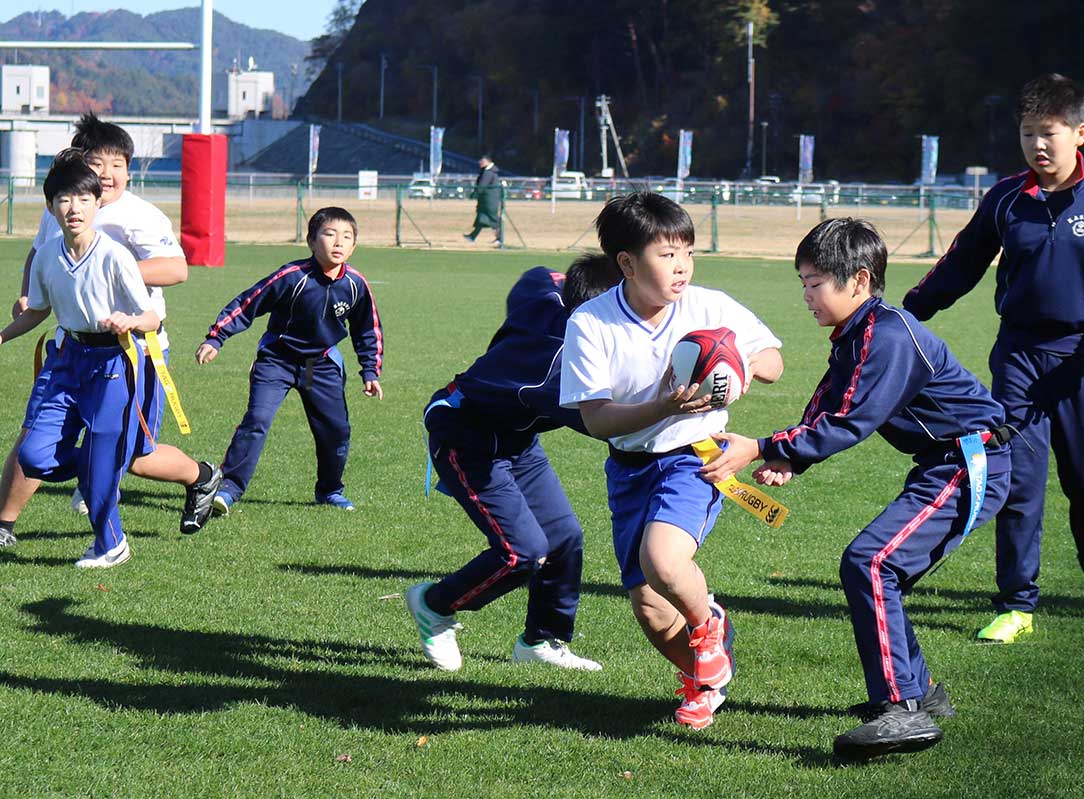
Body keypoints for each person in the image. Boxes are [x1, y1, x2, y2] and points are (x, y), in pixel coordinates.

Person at [701, 218, 1012, 759]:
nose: (806, 295)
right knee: (875, 566)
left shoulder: (887, 335)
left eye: (816, 281)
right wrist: (788, 458)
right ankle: (920, 696)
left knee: (871, 563)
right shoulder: (858, 332)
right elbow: (829, 402)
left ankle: (902, 711)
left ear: (860, 280)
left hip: (971, 462)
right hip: (950, 462)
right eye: (802, 281)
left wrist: (760, 446)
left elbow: (851, 421)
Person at [901, 74, 1084, 643]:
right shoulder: (1004, 199)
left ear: (1080, 133)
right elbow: (961, 264)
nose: (1037, 146)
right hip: (1019, 357)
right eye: (1027, 135)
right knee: (1016, 482)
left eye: (1048, 134)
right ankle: (1016, 604)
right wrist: (907, 312)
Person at [559, 192, 784, 730]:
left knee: (664, 562)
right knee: (652, 608)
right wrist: (662, 404)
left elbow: (772, 360)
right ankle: (705, 682)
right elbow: (596, 420)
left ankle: (708, 626)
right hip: (631, 467)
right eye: (666, 254)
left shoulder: (710, 306)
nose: (682, 265)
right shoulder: (591, 323)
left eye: (687, 251)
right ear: (627, 263)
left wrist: (738, 373)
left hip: (696, 458)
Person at [0, 112, 221, 549]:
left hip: (130, 348)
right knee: (35, 436)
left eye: (118, 163)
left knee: (135, 455)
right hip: (70, 347)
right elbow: (39, 254)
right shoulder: (66, 201)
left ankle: (201, 476)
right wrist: (32, 292)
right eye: (98, 162)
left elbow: (177, 270)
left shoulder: (140, 216)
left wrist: (103, 271)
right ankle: (4, 523)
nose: (108, 173)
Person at [405, 253, 622, 672]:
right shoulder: (558, 366)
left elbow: (537, 276)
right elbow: (608, 424)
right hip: (466, 435)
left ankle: (540, 641)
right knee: (522, 552)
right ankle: (434, 604)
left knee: (563, 538)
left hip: (517, 438)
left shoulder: (551, 297)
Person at [0, 150, 162, 567]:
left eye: (84, 199)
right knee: (34, 455)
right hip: (67, 359)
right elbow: (37, 310)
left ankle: (111, 544)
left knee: (99, 463)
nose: (75, 208)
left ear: (97, 203)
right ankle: (99, 464)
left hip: (114, 364)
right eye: (65, 200)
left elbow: (152, 317)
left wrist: (130, 320)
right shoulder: (48, 255)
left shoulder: (115, 256)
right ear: (51, 206)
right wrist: (1, 337)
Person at [196, 207, 383, 514]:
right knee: (257, 420)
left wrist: (370, 371)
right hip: (278, 361)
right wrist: (217, 337)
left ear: (353, 246)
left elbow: (368, 328)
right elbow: (249, 303)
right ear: (311, 241)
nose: (338, 242)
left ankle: (330, 490)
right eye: (330, 234)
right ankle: (228, 488)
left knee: (334, 430)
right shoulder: (291, 277)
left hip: (318, 366)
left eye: (347, 236)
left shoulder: (356, 284)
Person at [463, 155, 501, 244]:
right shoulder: (488, 172)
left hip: (489, 201)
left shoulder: (488, 173)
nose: (480, 162)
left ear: (487, 162)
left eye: (482, 161)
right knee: (482, 219)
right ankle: (472, 237)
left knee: (494, 219)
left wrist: (474, 194)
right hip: (486, 200)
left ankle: (500, 238)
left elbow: (481, 186)